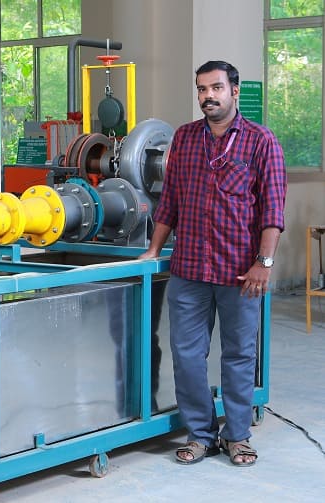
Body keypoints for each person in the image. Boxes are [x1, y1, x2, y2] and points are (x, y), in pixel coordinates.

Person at [140, 61, 286, 466]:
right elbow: (170, 200)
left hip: (241, 272)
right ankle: (201, 434)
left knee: (239, 355)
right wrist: (154, 249)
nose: (209, 96)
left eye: (216, 88)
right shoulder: (185, 138)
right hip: (189, 269)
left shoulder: (261, 141)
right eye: (202, 89)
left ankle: (237, 436)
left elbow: (273, 211)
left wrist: (264, 263)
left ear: (234, 91)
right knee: (187, 356)